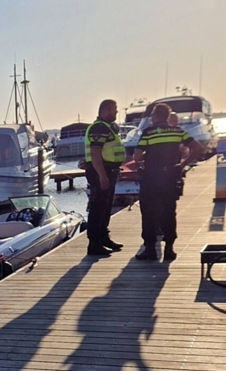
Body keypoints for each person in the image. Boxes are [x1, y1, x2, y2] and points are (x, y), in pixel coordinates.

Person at [132, 103, 204, 261]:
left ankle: (150, 249)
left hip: (151, 177)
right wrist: (183, 164)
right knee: (169, 212)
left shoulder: (148, 132)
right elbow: (198, 148)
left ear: (156, 116)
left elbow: (137, 156)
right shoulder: (177, 131)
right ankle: (169, 249)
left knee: (149, 213)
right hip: (171, 175)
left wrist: (148, 154)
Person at [83, 99, 126, 256]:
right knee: (98, 207)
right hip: (100, 172)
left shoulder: (108, 128)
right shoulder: (99, 128)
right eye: (114, 110)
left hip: (109, 170)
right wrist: (102, 176)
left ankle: (103, 237)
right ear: (106, 110)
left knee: (105, 207)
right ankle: (94, 244)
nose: (116, 112)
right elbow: (95, 153)